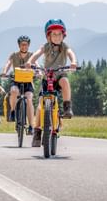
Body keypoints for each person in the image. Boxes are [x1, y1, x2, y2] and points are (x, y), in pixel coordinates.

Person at [26, 19, 78, 147]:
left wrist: (73, 62)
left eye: (59, 34)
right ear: (48, 36)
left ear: (63, 35)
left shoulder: (64, 47)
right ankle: (37, 131)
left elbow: (71, 53)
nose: (57, 37)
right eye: (54, 34)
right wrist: (30, 61)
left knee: (65, 81)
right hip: (47, 77)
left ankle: (67, 107)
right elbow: (37, 54)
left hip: (59, 75)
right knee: (40, 105)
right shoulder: (46, 47)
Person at [1, 35, 36, 134]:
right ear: (19, 45)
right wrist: (4, 72)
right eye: (22, 44)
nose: (24, 46)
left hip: (28, 81)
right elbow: (8, 64)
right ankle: (12, 111)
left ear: (28, 45)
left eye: (26, 44)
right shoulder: (14, 55)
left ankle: (31, 126)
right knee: (14, 91)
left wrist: (38, 72)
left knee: (29, 99)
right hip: (16, 80)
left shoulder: (31, 55)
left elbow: (36, 64)